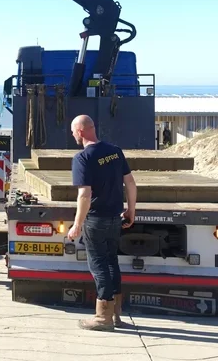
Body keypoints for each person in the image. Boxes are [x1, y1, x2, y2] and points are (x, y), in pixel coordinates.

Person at [66, 114, 137, 331]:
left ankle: (102, 318)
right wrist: (131, 210)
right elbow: (131, 183)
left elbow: (85, 195)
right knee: (111, 263)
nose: (72, 135)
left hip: (96, 220)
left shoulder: (82, 158)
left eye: (72, 132)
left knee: (98, 266)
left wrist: (77, 224)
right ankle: (115, 315)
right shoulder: (114, 151)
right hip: (115, 218)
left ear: (79, 132)